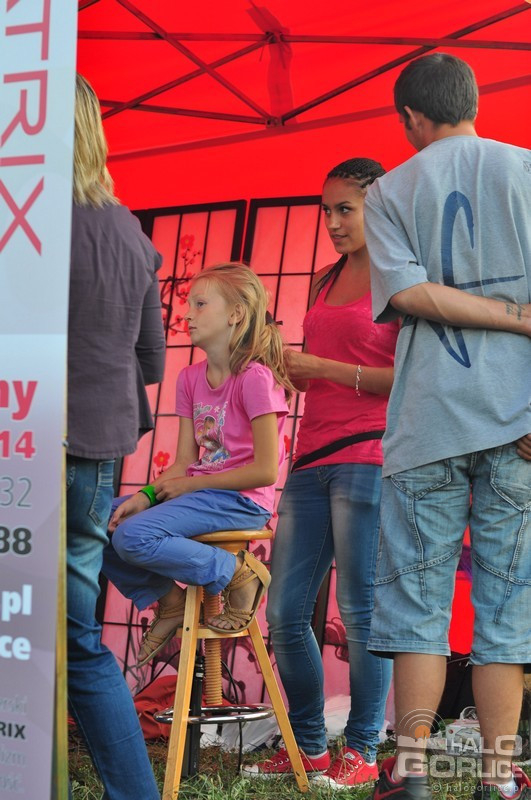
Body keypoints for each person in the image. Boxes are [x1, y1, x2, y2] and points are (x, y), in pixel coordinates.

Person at [362, 53, 531, 800]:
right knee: (507, 606)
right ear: (473, 104)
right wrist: (517, 316)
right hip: (518, 422)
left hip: (427, 421)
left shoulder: (389, 191)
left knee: (418, 607)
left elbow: (406, 294)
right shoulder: (526, 171)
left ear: (410, 118)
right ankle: (499, 776)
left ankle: (413, 772)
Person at [243, 158, 398, 788]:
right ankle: (307, 745)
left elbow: (411, 379)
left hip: (370, 455)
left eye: (345, 209)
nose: (332, 222)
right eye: (326, 209)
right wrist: (283, 367)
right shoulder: (322, 279)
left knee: (361, 613)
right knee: (284, 613)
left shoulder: (400, 279)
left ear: (377, 207)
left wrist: (324, 369)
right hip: (309, 458)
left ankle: (362, 748)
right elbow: (315, 372)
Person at [102, 263, 294, 666]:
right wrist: (147, 495)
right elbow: (185, 463)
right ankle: (169, 602)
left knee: (132, 537)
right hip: (201, 493)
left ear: (235, 313)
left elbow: (265, 472)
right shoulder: (190, 378)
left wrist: (188, 486)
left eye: (200, 304)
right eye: (188, 304)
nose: (187, 314)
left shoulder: (255, 378)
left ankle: (238, 573)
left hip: (242, 500)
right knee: (97, 522)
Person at [67, 75, 165, 799]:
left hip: (26, 440)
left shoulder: (25, 222)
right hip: (98, 450)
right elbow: (152, 362)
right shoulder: (130, 232)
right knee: (80, 642)